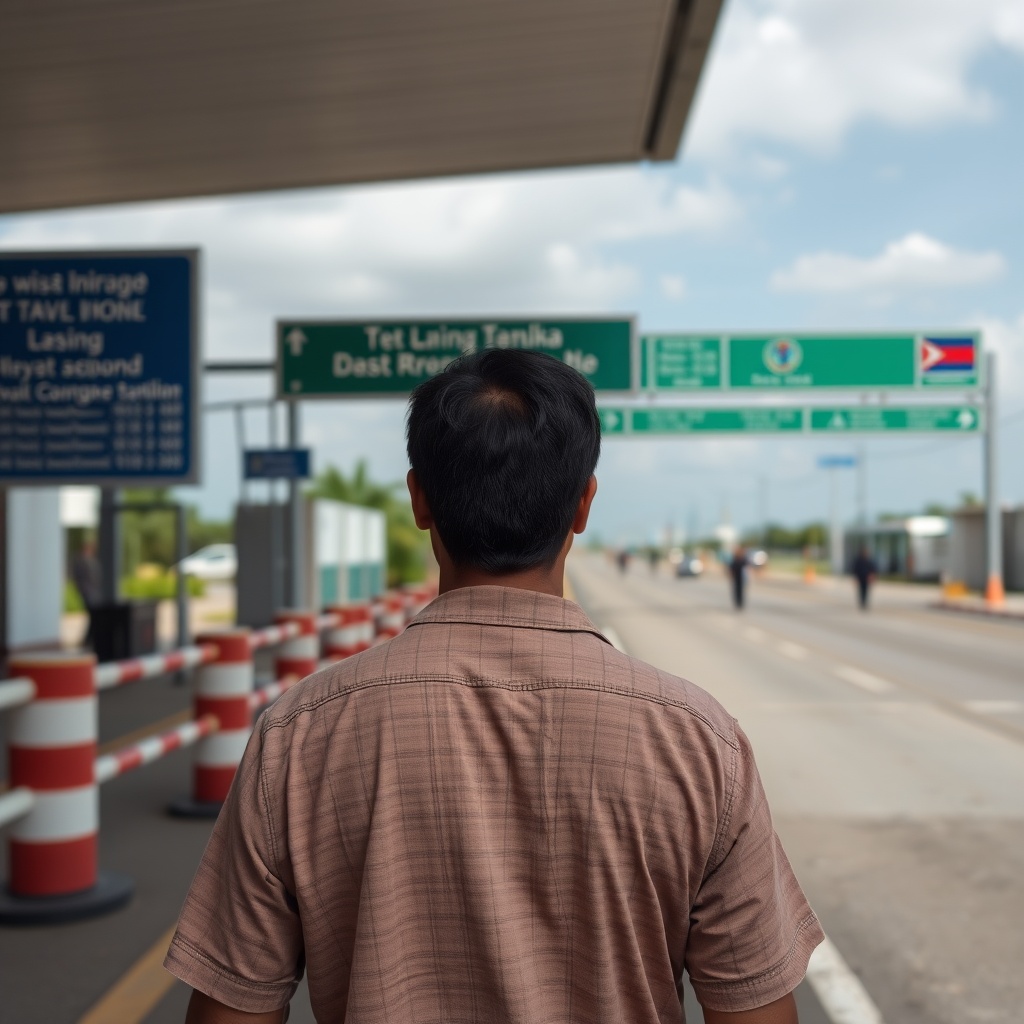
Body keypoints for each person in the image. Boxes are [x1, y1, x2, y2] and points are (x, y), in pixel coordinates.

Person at [166, 350, 823, 1024]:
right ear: (584, 504)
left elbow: (231, 1008)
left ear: (419, 499)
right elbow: (756, 1010)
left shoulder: (297, 736)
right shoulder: (698, 740)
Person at [71, 537, 103, 648]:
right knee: (93, 615)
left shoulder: (91, 561)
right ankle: (88, 639)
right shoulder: (80, 562)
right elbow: (78, 578)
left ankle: (89, 638)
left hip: (93, 592)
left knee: (94, 616)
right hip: (88, 592)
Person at [852, 545, 878, 611]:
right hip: (861, 577)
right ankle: (862, 602)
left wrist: (872, 576)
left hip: (866, 578)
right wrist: (855, 578)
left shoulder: (869, 560)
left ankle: (865, 603)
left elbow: (872, 569)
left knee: (866, 591)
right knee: (861, 590)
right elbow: (855, 569)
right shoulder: (858, 560)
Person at [729, 544, 749, 610]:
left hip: (742, 577)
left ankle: (740, 603)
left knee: (741, 591)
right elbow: (732, 567)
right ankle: (737, 603)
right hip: (736, 577)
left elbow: (747, 567)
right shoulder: (735, 558)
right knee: (736, 591)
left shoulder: (743, 559)